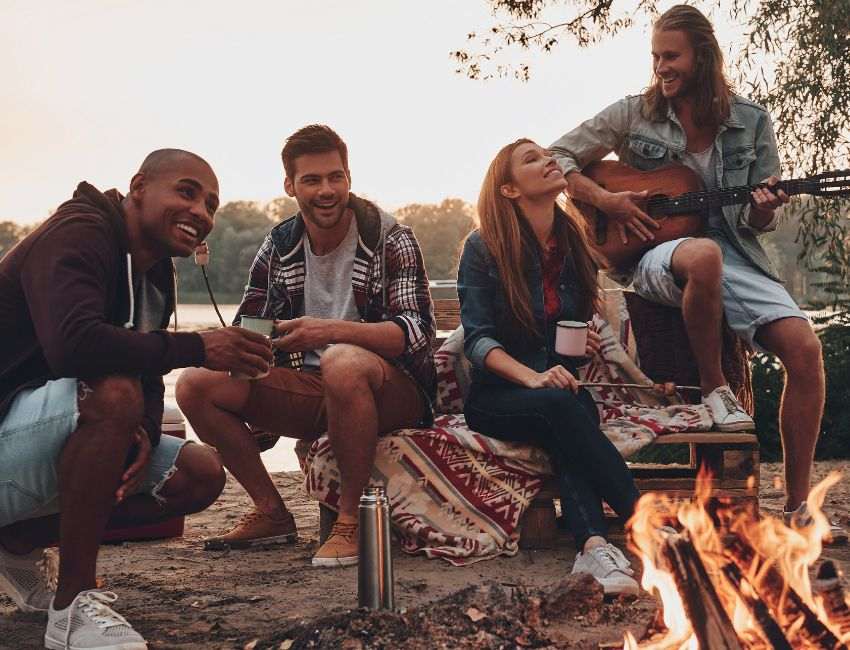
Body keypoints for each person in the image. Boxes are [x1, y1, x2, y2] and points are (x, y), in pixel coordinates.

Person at [549, 4, 846, 545]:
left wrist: (763, 206)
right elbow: (558, 157)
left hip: (735, 251)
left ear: (703, 58)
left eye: (671, 56)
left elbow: (759, 218)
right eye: (656, 56)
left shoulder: (752, 122)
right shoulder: (634, 113)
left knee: (805, 350)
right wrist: (608, 201)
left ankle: (799, 508)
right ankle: (715, 389)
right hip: (655, 255)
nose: (661, 66)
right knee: (701, 254)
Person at [0, 149, 275, 649]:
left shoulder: (154, 275)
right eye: (187, 192)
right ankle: (71, 607)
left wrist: (145, 430)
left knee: (199, 472)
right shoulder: (79, 232)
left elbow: (148, 381)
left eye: (212, 205)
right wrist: (200, 346)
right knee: (113, 393)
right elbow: (73, 344)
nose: (201, 213)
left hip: (37, 442)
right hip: (6, 433)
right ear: (139, 185)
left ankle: (17, 543)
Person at [176, 124, 436, 567]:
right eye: (312, 180)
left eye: (335, 177)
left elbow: (415, 334)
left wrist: (329, 330)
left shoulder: (390, 237)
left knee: (341, 360)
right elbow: (247, 328)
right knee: (194, 384)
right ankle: (272, 512)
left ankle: (350, 521)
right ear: (290, 186)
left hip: (392, 390)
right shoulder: (278, 245)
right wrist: (257, 345)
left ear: (349, 178)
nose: (326, 190)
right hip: (311, 386)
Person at [458, 138, 642, 596]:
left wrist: (586, 344)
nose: (549, 162)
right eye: (532, 159)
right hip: (497, 395)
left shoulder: (574, 243)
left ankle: (595, 549)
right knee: (566, 409)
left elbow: (567, 339)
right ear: (509, 190)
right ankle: (648, 524)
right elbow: (477, 342)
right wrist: (534, 377)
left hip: (561, 392)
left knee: (571, 413)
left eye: (548, 155)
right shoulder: (483, 248)